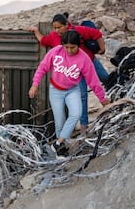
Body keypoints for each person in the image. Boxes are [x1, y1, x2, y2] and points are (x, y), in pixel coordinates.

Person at [29, 30, 110, 159]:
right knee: (59, 121)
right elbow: (42, 67)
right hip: (56, 90)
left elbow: (93, 80)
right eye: (66, 47)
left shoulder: (84, 59)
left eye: (73, 47)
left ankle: (57, 143)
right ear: (62, 45)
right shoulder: (55, 52)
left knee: (76, 113)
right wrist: (35, 84)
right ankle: (60, 149)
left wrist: (102, 98)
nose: (70, 50)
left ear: (78, 45)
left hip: (72, 90)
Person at [28, 12, 109, 134]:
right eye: (54, 27)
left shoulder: (79, 31)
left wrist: (102, 49)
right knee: (82, 95)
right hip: (76, 71)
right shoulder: (54, 37)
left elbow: (96, 34)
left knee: (105, 78)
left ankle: (112, 101)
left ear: (67, 24)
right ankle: (84, 126)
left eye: (59, 27)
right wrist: (35, 31)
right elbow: (44, 41)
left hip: (90, 60)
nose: (56, 30)